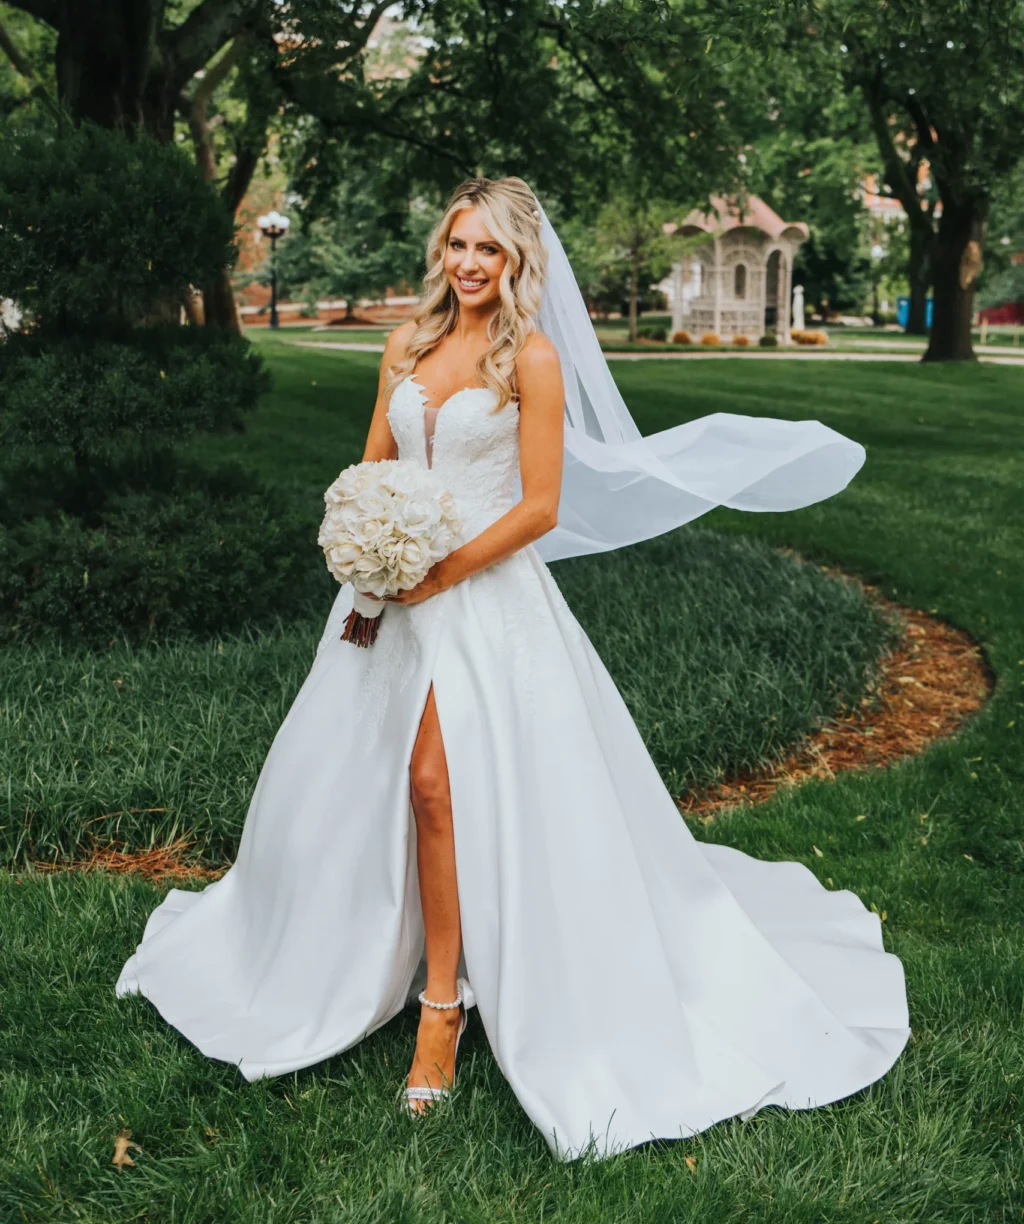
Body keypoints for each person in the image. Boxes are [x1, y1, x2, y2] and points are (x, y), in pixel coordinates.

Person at [117, 177, 909, 1159]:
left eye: (488, 250)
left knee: (435, 782)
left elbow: (538, 506)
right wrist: (366, 554)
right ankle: (353, 953)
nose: (468, 264)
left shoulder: (529, 358)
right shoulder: (403, 346)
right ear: (441, 251)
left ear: (518, 260)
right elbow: (368, 469)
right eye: (456, 245)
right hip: (387, 603)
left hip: (483, 601)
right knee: (357, 787)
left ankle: (443, 1005)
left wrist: (435, 570)